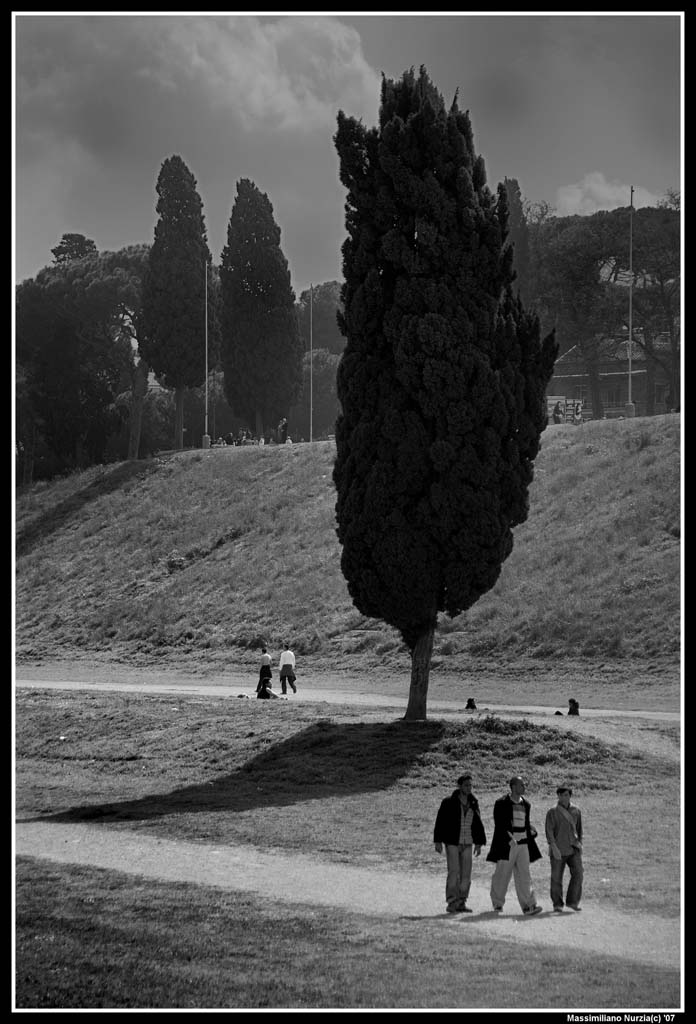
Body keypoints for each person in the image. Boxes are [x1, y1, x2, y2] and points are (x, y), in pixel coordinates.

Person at [486, 775, 543, 915]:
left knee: (524, 876)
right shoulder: (501, 803)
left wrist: (531, 831)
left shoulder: (526, 804)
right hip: (508, 845)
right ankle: (497, 905)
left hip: (523, 845)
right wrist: (508, 838)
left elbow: (525, 823)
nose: (524, 787)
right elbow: (499, 825)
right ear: (513, 787)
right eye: (521, 785)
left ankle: (528, 906)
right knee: (502, 875)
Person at [433, 773, 486, 913]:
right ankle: (452, 901)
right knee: (454, 872)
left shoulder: (473, 802)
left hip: (468, 842)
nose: (469, 788)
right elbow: (440, 822)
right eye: (466, 785)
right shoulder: (448, 802)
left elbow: (477, 823)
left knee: (466, 874)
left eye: (470, 785)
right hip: (452, 842)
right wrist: (438, 841)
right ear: (460, 786)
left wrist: (479, 843)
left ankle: (462, 901)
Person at [545, 785, 583, 912]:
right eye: (560, 795)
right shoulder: (552, 812)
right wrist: (553, 847)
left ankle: (573, 901)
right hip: (558, 849)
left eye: (566, 795)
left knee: (578, 873)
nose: (563, 797)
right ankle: (557, 904)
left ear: (570, 796)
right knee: (556, 878)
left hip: (573, 848)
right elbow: (549, 831)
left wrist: (580, 844)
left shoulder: (576, 810)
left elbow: (579, 829)